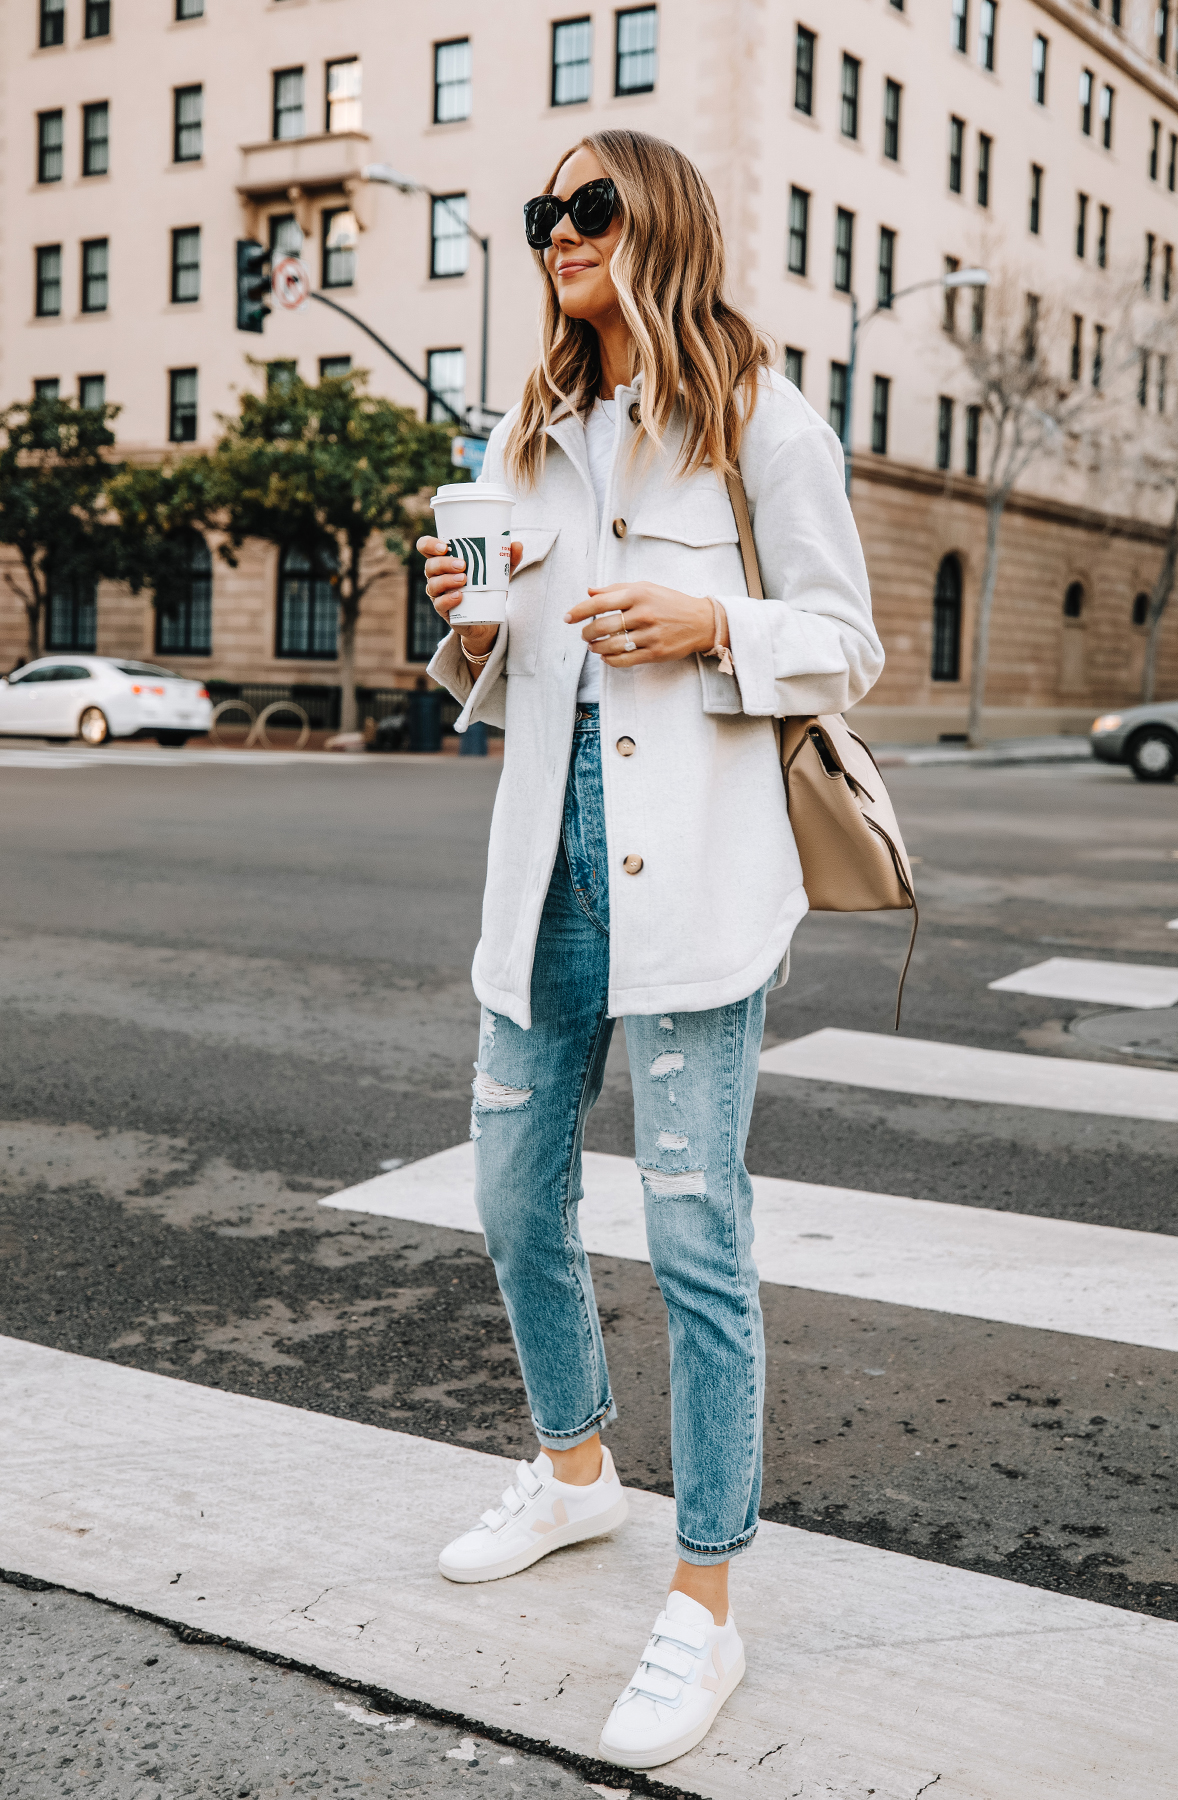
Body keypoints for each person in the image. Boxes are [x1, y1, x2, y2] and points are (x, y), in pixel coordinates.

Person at [416, 129, 882, 1771]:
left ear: (659, 220)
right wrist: (468, 631)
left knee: (696, 1237)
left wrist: (714, 624)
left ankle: (705, 1600)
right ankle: (574, 1471)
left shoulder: (761, 415)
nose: (557, 231)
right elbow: (498, 674)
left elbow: (848, 643)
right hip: (540, 877)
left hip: (688, 883)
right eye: (542, 213)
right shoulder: (529, 430)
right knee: (504, 1193)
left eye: (587, 205)